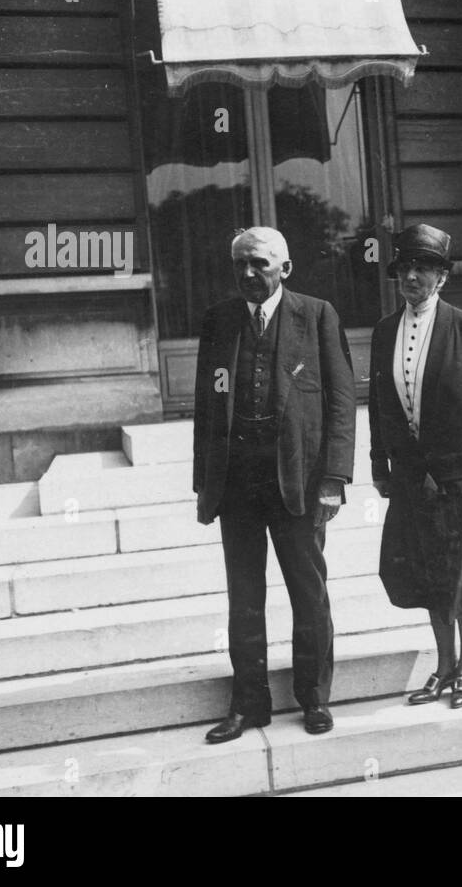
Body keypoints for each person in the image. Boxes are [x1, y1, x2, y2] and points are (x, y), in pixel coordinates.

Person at [192, 226, 356, 744]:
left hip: (299, 482)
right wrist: (205, 483)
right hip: (238, 484)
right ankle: (248, 705)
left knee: (309, 594)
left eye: (259, 264)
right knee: (244, 597)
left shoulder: (317, 315)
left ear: (284, 268)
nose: (247, 273)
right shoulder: (219, 321)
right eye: (240, 263)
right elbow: (206, 406)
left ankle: (315, 698)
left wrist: (333, 478)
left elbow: (341, 400)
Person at [369, 224, 462, 709]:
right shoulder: (383, 332)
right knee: (423, 571)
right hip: (410, 476)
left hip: (458, 476)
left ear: (441, 276)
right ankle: (443, 665)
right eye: (405, 268)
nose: (412, 276)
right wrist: (381, 464)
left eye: (423, 268)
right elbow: (379, 406)